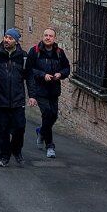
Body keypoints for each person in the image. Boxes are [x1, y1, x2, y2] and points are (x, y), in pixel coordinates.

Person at [0, 28, 35, 167]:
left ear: (16, 41)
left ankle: (16, 150)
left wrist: (32, 96)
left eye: (10, 38)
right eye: (6, 37)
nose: (7, 40)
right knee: (2, 130)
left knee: (20, 128)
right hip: (0, 98)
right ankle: (4, 156)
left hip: (18, 99)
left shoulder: (24, 57)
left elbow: (30, 77)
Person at [25, 27, 70, 159]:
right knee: (47, 113)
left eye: (50, 36)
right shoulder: (35, 51)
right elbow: (29, 70)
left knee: (53, 116)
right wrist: (42, 75)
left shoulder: (59, 52)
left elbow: (67, 68)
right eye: (45, 35)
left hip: (54, 90)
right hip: (40, 90)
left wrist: (60, 74)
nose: (48, 37)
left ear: (54, 38)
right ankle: (50, 146)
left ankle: (41, 131)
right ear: (42, 36)